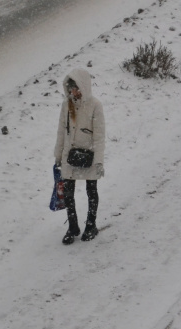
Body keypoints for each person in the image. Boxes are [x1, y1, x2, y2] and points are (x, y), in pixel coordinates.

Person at [54, 68, 106, 244]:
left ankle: (91, 225)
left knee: (91, 190)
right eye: (70, 89)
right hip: (69, 155)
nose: (72, 92)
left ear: (83, 86)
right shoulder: (66, 105)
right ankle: (73, 227)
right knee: (68, 193)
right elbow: (61, 131)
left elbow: (99, 137)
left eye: (75, 88)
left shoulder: (95, 106)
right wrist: (58, 156)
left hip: (89, 155)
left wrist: (99, 161)